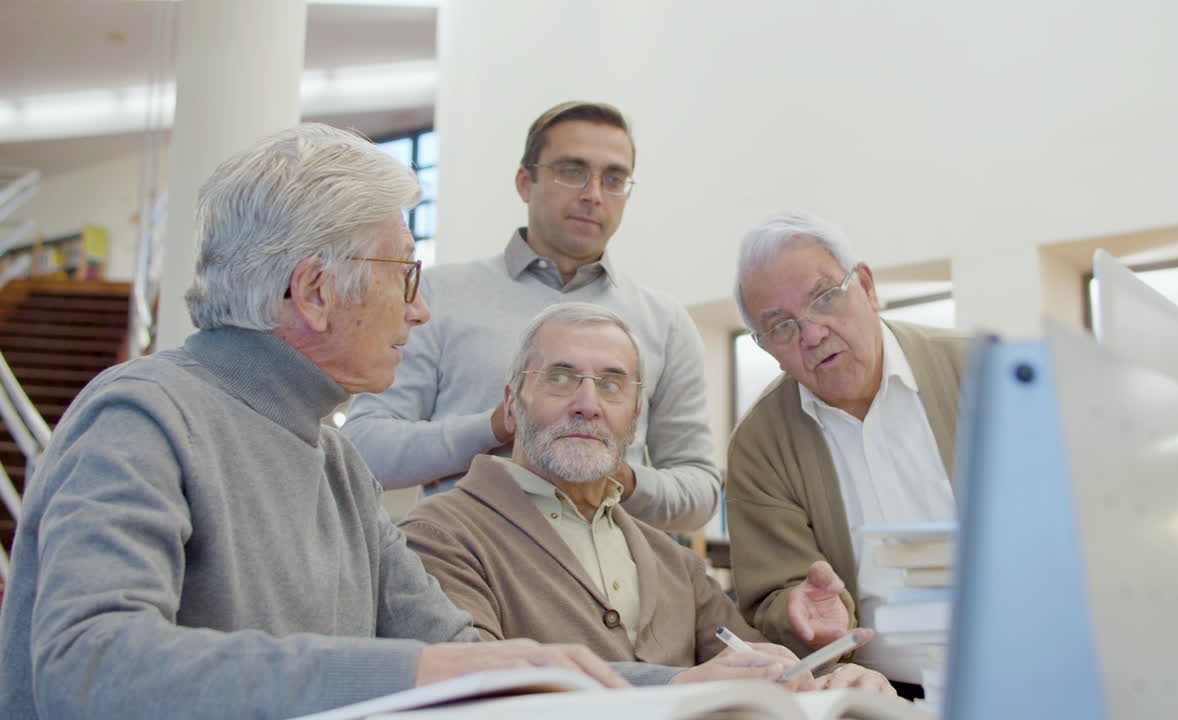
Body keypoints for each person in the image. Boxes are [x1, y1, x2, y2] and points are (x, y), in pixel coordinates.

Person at [0, 124, 687, 720]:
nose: (418, 311)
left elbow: (479, 664)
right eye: (405, 276)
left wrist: (685, 690)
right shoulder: (142, 415)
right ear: (317, 291)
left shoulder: (336, 463)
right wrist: (411, 673)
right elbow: (88, 668)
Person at [400, 302, 895, 695]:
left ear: (634, 417)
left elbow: (757, 670)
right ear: (512, 404)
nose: (588, 405)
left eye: (612, 385)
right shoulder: (438, 538)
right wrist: (673, 683)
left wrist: (821, 663)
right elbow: (470, 691)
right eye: (561, 378)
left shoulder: (672, 561)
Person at [342, 101, 718, 532]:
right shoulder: (435, 297)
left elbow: (700, 493)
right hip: (462, 568)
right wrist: (494, 426)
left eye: (614, 178)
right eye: (572, 171)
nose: (593, 193)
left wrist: (615, 476)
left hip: (610, 587)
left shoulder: (665, 321)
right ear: (525, 182)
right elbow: (364, 450)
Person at [727, 211, 969, 694]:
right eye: (781, 327)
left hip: (1024, 666)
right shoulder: (759, 447)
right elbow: (772, 596)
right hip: (875, 694)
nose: (812, 334)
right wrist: (802, 610)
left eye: (824, 298)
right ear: (766, 347)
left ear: (866, 285)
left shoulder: (976, 370)